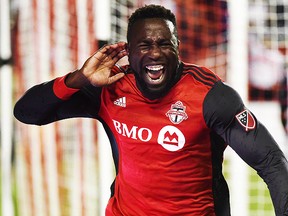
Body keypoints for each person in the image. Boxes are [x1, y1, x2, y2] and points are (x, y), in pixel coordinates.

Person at [14, 4, 288, 216]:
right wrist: (78, 79)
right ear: (128, 51)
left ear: (178, 47)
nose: (155, 53)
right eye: (144, 45)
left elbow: (272, 162)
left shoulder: (211, 96)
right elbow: (27, 112)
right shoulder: (110, 88)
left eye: (164, 44)